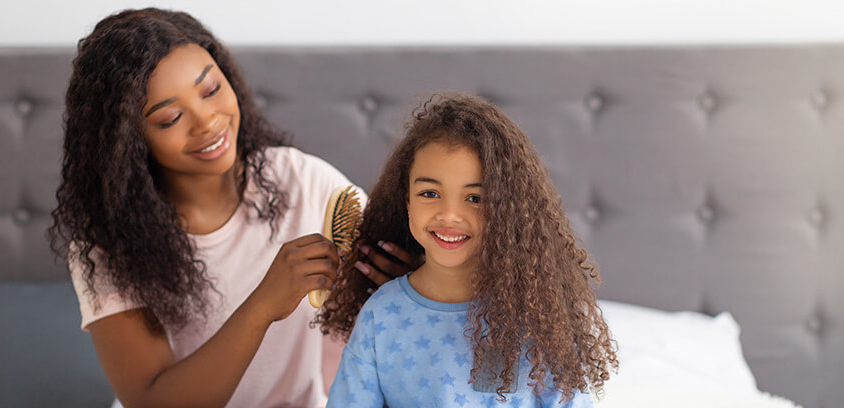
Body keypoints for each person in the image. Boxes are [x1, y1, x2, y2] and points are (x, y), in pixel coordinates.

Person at [48, 8, 409, 408]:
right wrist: (263, 304)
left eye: (210, 90)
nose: (206, 122)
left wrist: (397, 282)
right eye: (170, 118)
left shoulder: (303, 182)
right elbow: (154, 400)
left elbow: (390, 295)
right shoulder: (106, 249)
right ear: (128, 141)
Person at [315, 93, 619, 407]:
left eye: (475, 198)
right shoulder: (380, 316)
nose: (449, 214)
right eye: (429, 193)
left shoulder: (539, 320)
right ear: (406, 199)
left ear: (506, 209)